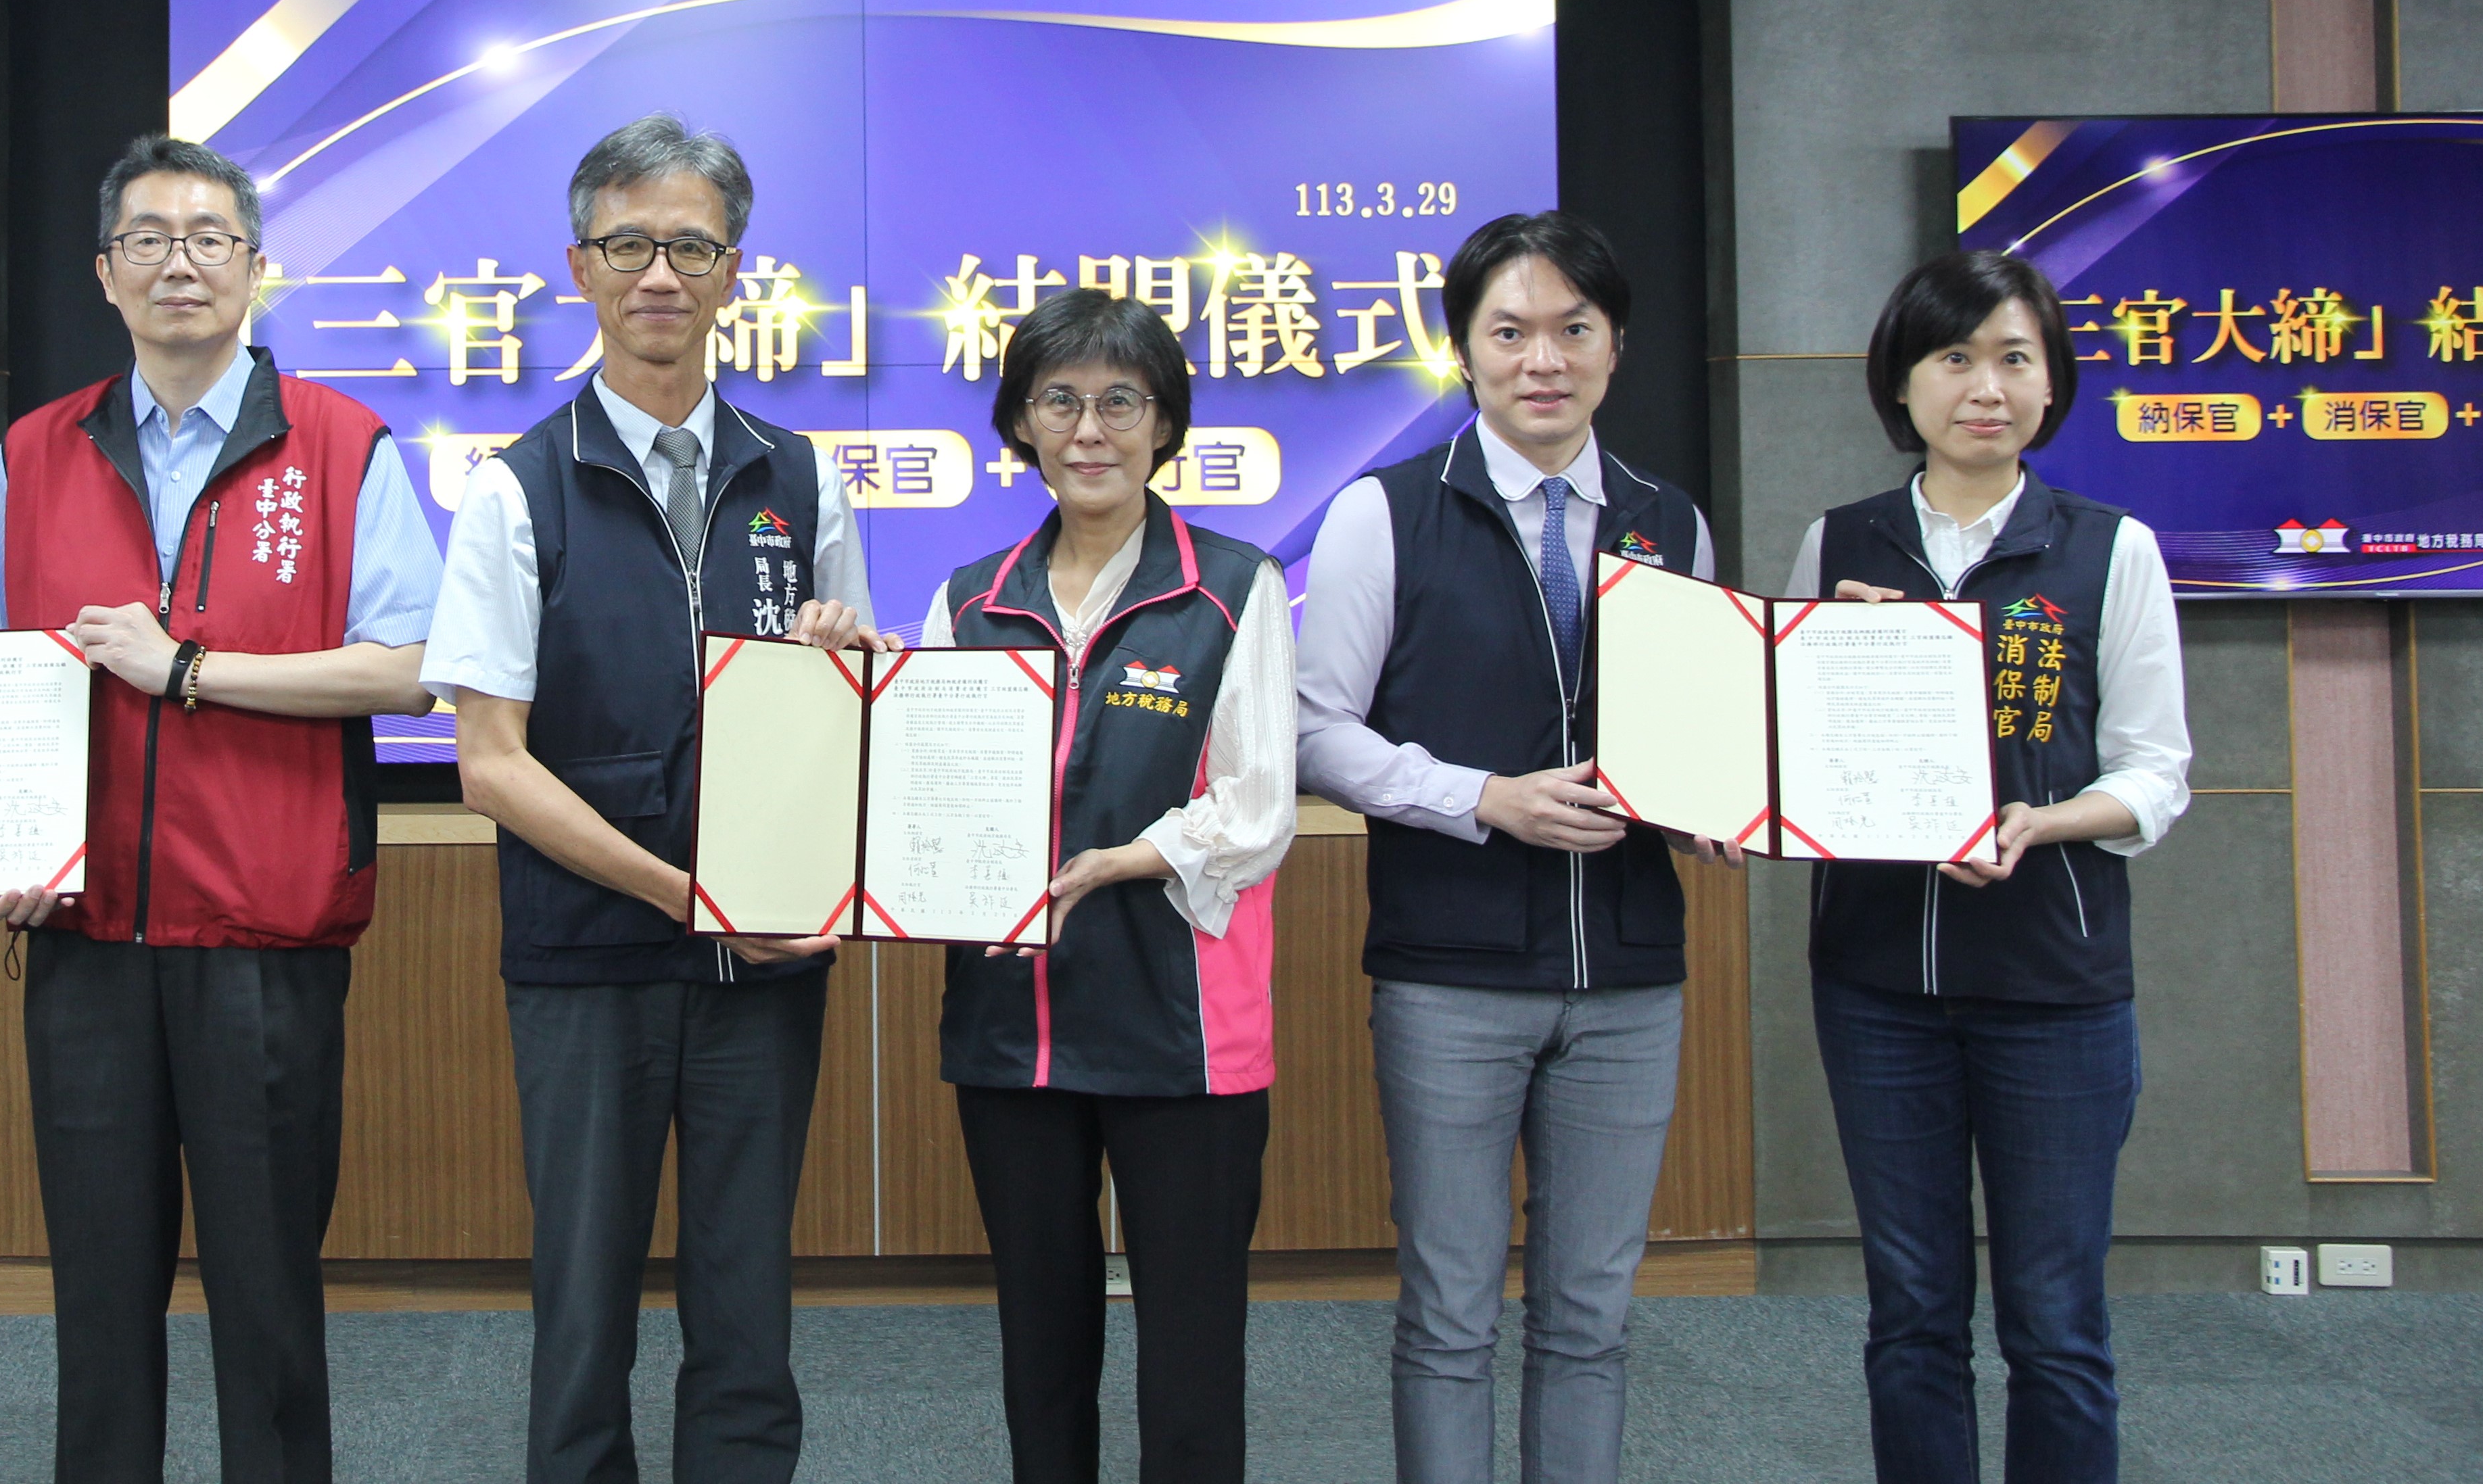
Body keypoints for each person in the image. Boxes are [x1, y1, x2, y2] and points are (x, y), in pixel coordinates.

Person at [0, 133, 443, 1484]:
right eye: (150, 238)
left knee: (268, 1294)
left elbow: (411, 668)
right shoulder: (36, 452)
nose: (181, 261)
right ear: (106, 272)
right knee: (98, 1297)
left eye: (210, 237)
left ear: (256, 268)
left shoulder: (341, 442)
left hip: (265, 936)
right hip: (86, 935)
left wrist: (187, 668)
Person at [425, 113, 884, 1484]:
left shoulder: (802, 477)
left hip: (767, 961)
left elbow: (848, 716)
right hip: (586, 961)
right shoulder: (517, 489)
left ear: (735, 270)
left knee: (748, 1301)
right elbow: (490, 762)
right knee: (583, 1306)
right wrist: (685, 893)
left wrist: (848, 670)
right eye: (629, 246)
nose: (661, 275)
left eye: (692, 246)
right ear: (579, 267)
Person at [1293, 210, 1741, 1484]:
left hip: (1630, 977)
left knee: (1590, 1317)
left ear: (1614, 347)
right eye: (1509, 333)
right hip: (1450, 973)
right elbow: (1314, 732)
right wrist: (1482, 797)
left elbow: (1694, 731)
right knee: (1448, 1315)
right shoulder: (1384, 513)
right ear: (1464, 352)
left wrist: (1720, 802)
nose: (1542, 360)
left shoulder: (1668, 522)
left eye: (1572, 330)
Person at [1787, 249, 2190, 1484]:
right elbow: (1785, 755)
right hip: (1876, 988)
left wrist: (2041, 823)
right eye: (1953, 358)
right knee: (1909, 1313)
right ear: (1901, 384)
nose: (1985, 387)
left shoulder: (2108, 550)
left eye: (2015, 358)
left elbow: (2155, 772)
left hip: (2053, 989)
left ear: (2050, 383)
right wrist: (1832, 666)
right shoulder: (1838, 544)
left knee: (2054, 1322)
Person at [924, 289, 1296, 1484]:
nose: (1089, 431)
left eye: (1120, 403)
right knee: (1039, 1352)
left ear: (1163, 423)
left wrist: (1127, 859)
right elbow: (930, 790)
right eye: (1060, 401)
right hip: (1011, 1028)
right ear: (1019, 424)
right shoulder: (969, 600)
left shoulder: (1231, 588)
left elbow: (1258, 807)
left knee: (1190, 1357)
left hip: (1180, 1032)